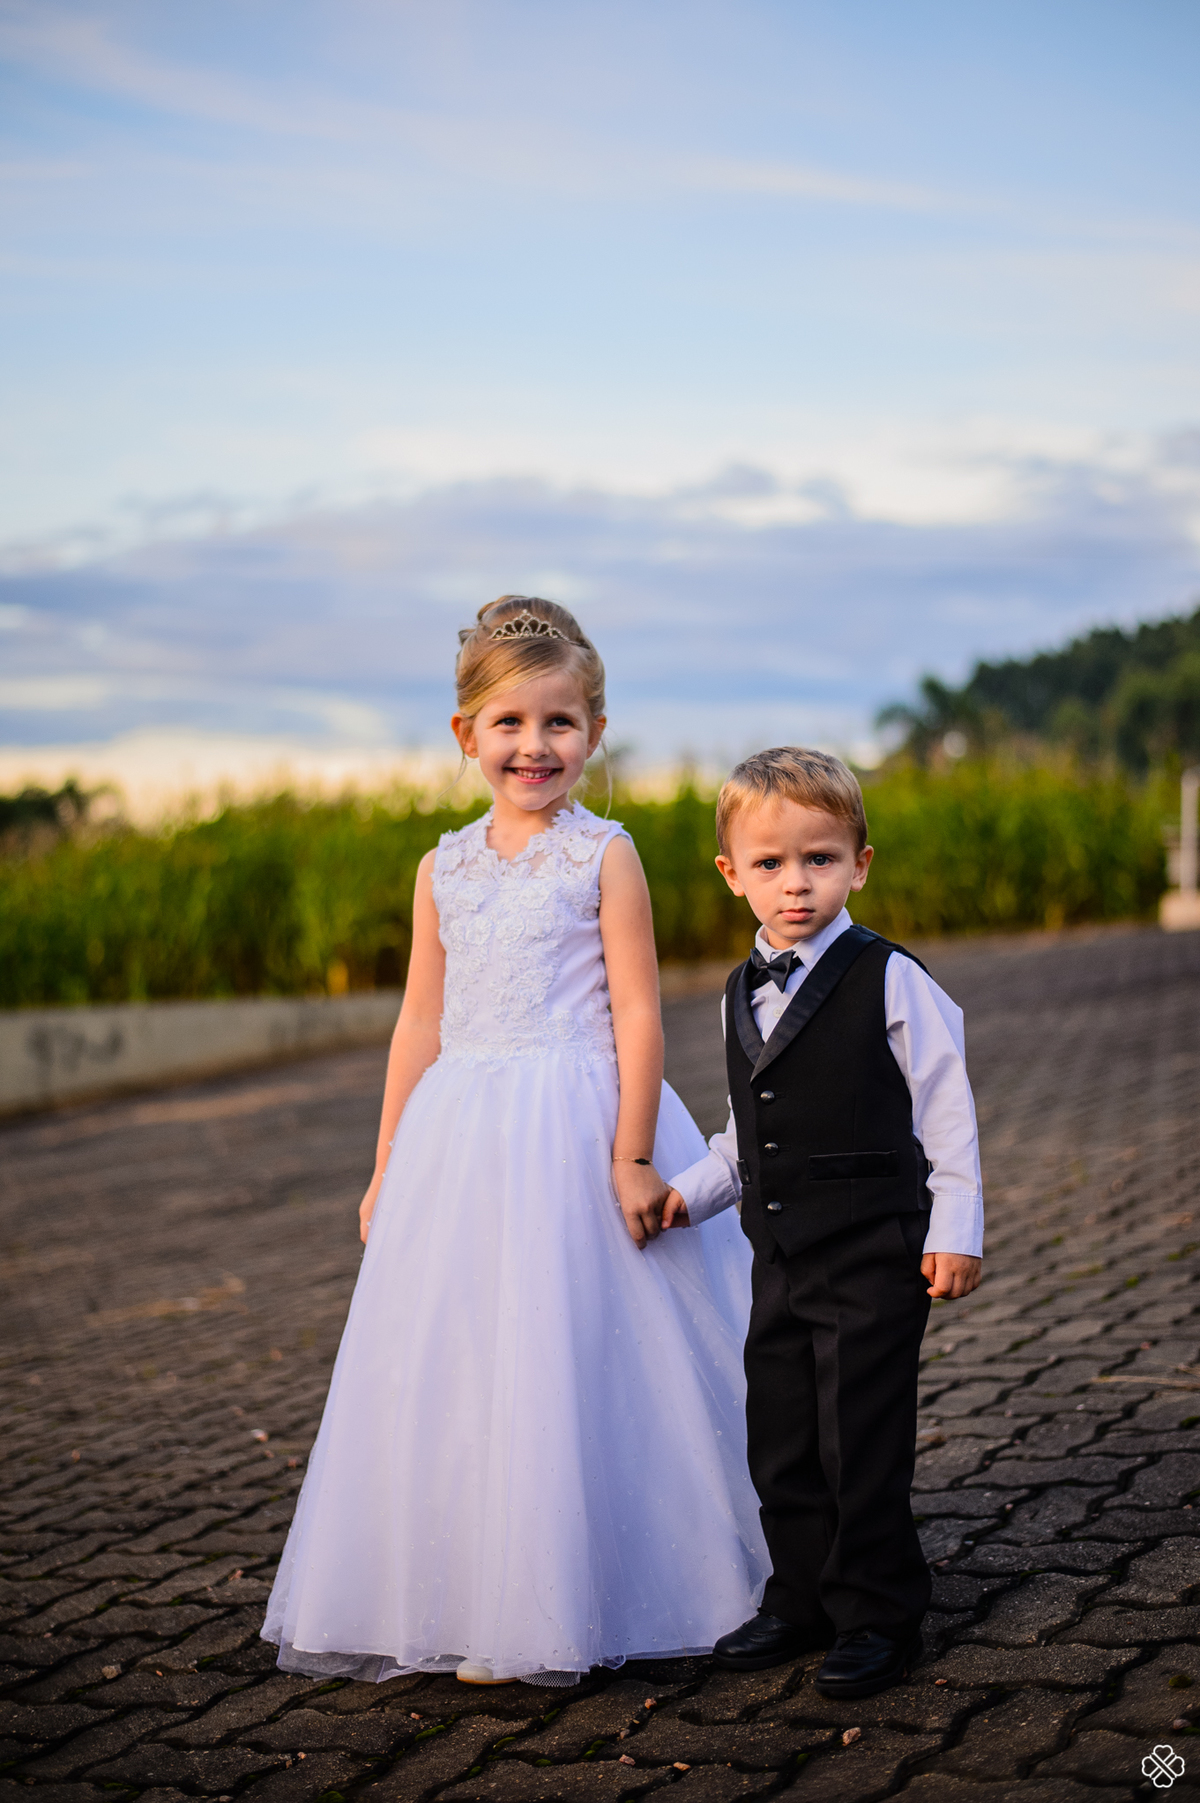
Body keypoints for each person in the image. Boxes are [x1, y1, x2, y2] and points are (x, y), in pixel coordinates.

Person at [263, 596, 767, 1688]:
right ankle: (478, 1596)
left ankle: (610, 1585)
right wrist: (390, 1159)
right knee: (466, 1362)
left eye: (559, 724)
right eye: (509, 724)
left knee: (579, 1355)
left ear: (593, 734)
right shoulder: (441, 866)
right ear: (465, 737)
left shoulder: (604, 855)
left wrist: (634, 1152)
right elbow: (419, 1020)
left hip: (582, 1122)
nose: (533, 747)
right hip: (462, 1135)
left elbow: (637, 1013)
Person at [661, 747, 983, 1701]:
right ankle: (799, 1592)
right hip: (781, 1261)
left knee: (861, 1437)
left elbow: (947, 1107)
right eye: (770, 864)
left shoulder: (890, 977)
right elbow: (740, 1129)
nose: (795, 883)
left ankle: (879, 1608)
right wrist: (688, 1195)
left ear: (860, 863)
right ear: (731, 874)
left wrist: (956, 1224)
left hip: (876, 1250)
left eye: (820, 859)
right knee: (785, 1433)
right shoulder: (738, 991)